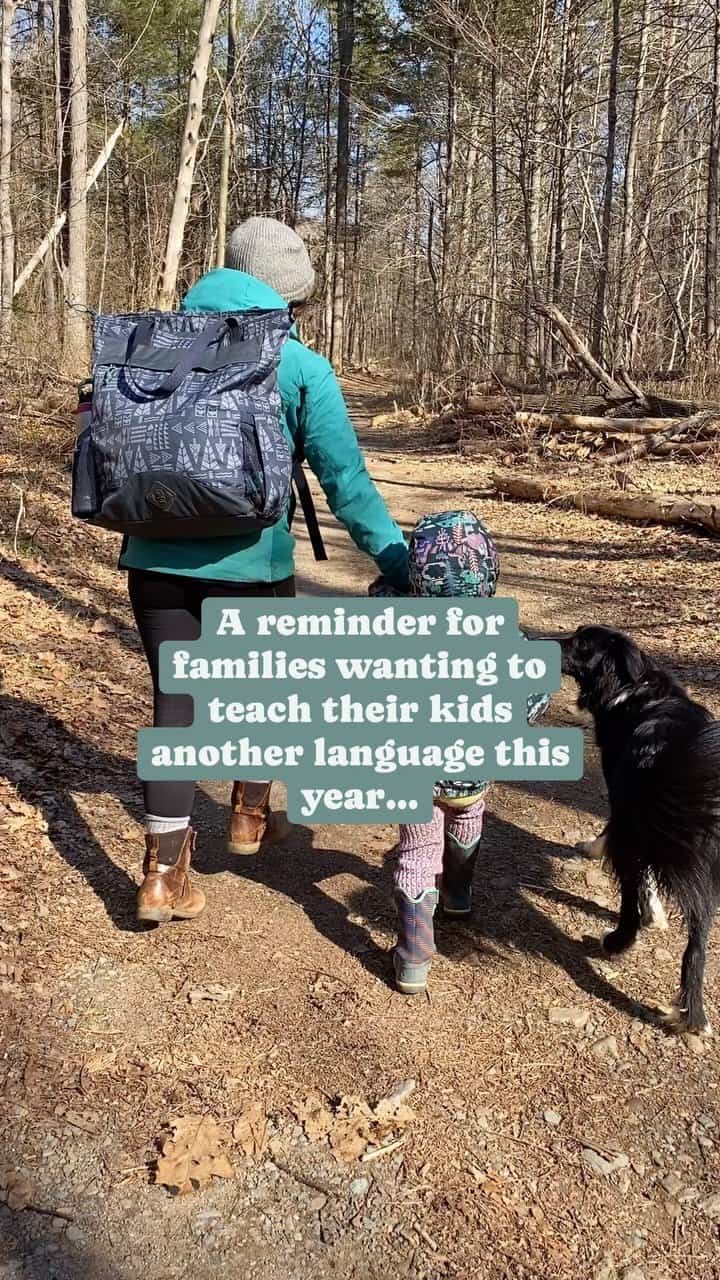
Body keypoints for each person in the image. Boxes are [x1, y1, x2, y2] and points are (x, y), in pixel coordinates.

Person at [124, 217, 409, 925]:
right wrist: (398, 559)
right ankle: (249, 818)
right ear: (286, 296)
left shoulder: (150, 345)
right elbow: (347, 482)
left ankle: (162, 877)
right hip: (252, 566)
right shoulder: (299, 365)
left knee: (176, 708)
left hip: (154, 559)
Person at [370, 510, 549, 995]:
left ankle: (413, 957)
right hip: (474, 772)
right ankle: (458, 892)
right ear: (489, 574)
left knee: (416, 851)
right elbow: (537, 692)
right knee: (469, 819)